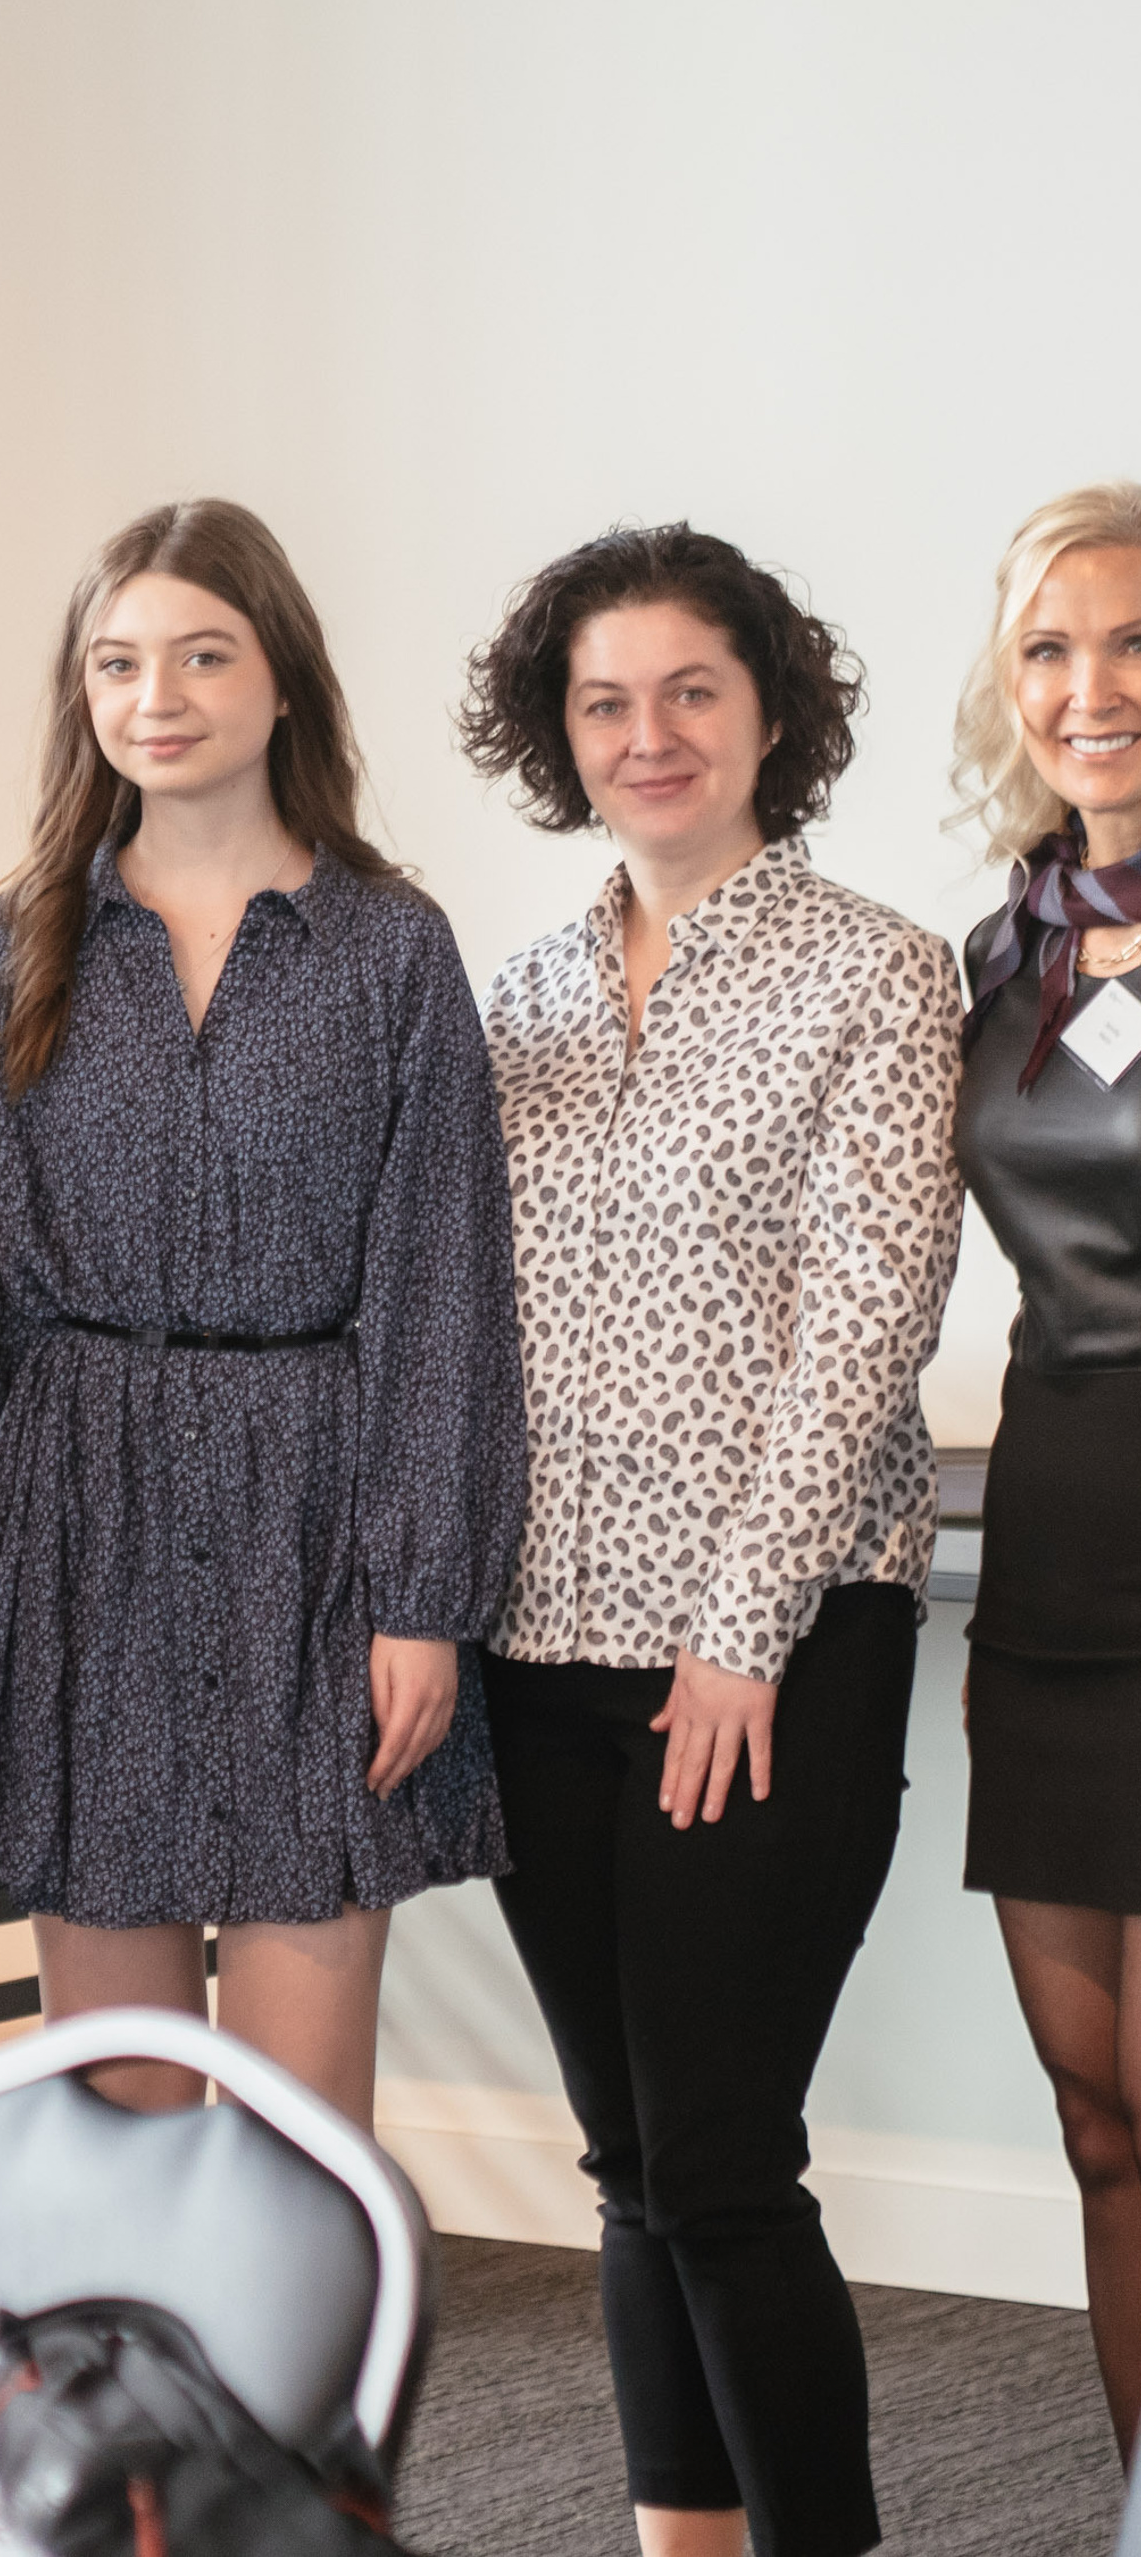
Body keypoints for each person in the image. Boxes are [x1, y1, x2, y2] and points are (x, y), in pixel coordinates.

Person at [463, 524, 964, 2557]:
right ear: (554, 735)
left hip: (763, 1646)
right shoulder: (507, 996)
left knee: (721, 2154)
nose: (644, 732)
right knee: (622, 2160)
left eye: (688, 689)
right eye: (602, 699)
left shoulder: (874, 972)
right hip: (533, 1644)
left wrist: (736, 1634)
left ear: (769, 710)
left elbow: (866, 1328)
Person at [0, 498, 522, 2125]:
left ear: (282, 684)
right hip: (84, 1523)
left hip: (317, 1536)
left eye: (202, 653)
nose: (157, 695)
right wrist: (0, 1562)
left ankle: (298, 2396)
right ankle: (139, 2389)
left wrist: (423, 1598)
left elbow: (442, 1291)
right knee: (118, 2114)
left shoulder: (389, 951)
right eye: (117, 663)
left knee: (293, 2130)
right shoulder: (14, 948)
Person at [951, 480, 1141, 2470]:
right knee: (1092, 2112)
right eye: (1044, 647)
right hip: (1051, 1570)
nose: (1088, 686)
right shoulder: (996, 966)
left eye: (1128, 640)